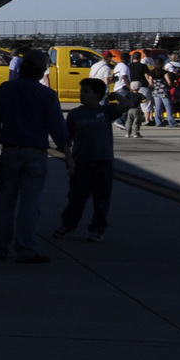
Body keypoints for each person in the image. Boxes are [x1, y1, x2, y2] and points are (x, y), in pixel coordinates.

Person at [0, 49, 70, 263]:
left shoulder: (5, 90)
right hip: (35, 153)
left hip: (10, 151)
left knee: (6, 202)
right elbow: (58, 128)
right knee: (30, 204)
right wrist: (68, 154)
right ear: (42, 71)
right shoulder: (47, 95)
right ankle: (26, 249)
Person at [54, 79, 125, 243]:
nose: (82, 94)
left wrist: (115, 95)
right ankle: (69, 225)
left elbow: (127, 104)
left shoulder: (106, 111)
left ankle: (98, 229)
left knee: (102, 198)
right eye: (82, 91)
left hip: (103, 161)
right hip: (82, 162)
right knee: (77, 196)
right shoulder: (75, 114)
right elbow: (66, 139)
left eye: (86, 91)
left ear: (98, 95)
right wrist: (69, 159)